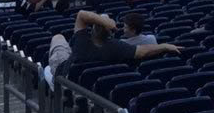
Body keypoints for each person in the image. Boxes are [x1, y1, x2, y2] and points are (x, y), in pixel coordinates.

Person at [43, 9, 181, 90]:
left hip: (65, 78)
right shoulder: (117, 46)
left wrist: (105, 22)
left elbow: (81, 15)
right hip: (93, 83)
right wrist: (164, 46)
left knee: (58, 37)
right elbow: (143, 51)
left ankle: (48, 75)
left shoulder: (82, 40)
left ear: (93, 28)